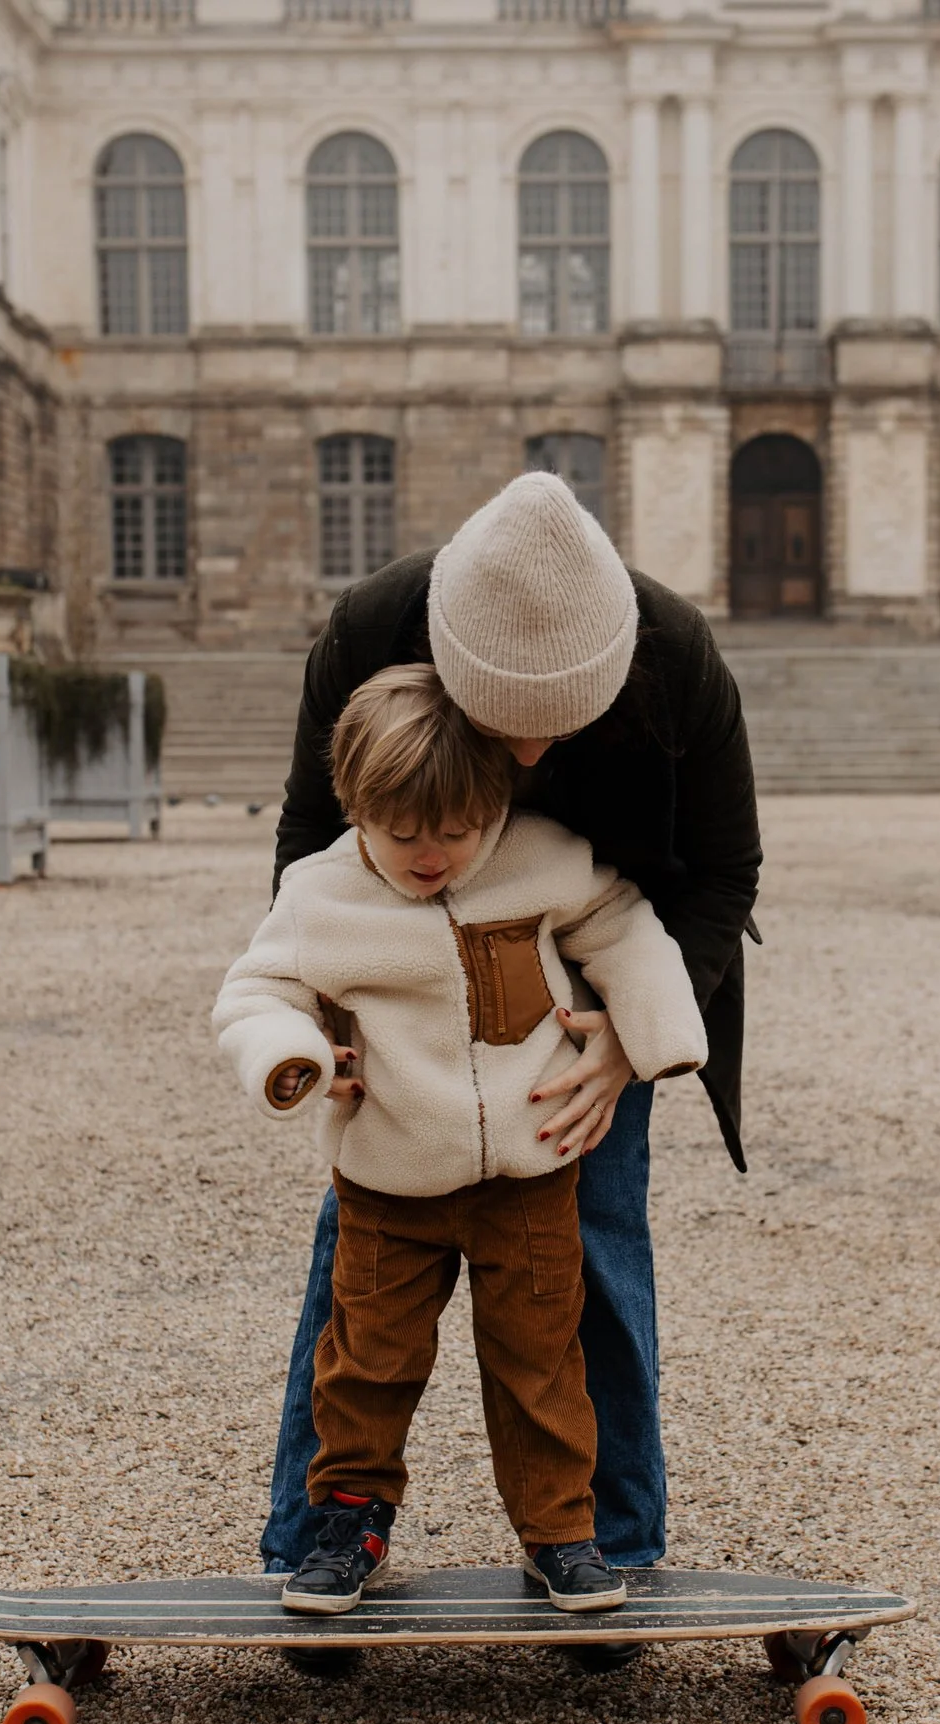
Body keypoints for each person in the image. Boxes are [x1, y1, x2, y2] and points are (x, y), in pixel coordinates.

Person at [259, 471, 763, 1613]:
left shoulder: (675, 655)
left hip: (608, 951)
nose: (531, 755)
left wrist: (630, 1043)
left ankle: (613, 1548)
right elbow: (305, 840)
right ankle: (309, 1542)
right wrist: (320, 1020)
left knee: (594, 1243)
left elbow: (721, 873)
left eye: (560, 724)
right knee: (362, 1258)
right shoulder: (371, 627)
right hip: (404, 930)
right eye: (501, 725)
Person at [216, 662, 709, 1616]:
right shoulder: (321, 895)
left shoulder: (541, 856)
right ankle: (344, 1528)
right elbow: (255, 990)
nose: (433, 854)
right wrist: (298, 1055)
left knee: (542, 1361)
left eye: (458, 830)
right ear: (359, 806)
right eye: (403, 834)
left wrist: (659, 1033)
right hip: (389, 1186)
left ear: (496, 802)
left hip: (527, 1180)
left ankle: (562, 1534)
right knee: (367, 1362)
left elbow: (623, 920)